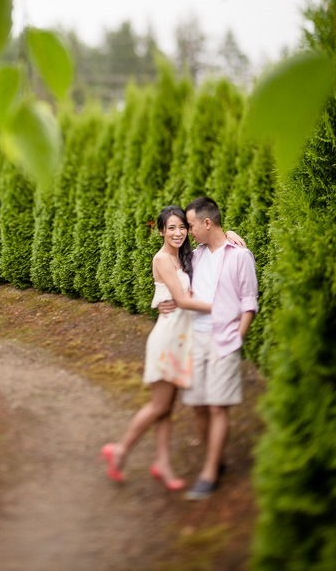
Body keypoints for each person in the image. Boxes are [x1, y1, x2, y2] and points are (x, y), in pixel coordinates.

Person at [100, 205, 214, 491]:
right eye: (171, 228)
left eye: (182, 228)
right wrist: (223, 308)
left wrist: (234, 233)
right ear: (161, 231)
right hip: (167, 341)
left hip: (181, 339)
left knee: (166, 408)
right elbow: (183, 300)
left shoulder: (184, 258)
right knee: (159, 405)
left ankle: (162, 462)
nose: (178, 233)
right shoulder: (163, 258)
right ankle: (120, 449)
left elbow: (179, 295)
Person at [159, 196, 258, 501]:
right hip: (194, 339)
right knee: (199, 405)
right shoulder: (196, 256)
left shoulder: (240, 256)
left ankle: (210, 472)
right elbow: (172, 273)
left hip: (224, 340)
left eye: (190, 225)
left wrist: (237, 338)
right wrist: (167, 300)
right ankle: (216, 459)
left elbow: (249, 302)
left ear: (206, 222)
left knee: (217, 406)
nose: (187, 232)